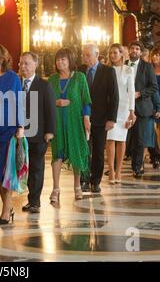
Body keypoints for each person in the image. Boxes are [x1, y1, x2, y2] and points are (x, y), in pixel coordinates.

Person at [0, 44, 24, 225]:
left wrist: (20, 128)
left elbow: (19, 102)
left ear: (1, 59)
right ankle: (8, 209)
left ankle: (5, 213)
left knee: (5, 173)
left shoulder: (13, 78)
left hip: (8, 131)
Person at [49, 48, 91, 204]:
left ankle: (77, 186)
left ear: (70, 60)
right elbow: (45, 101)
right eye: (58, 60)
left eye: (63, 59)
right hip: (58, 122)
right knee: (57, 153)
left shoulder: (80, 78)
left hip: (75, 121)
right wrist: (56, 103)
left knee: (76, 152)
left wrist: (86, 118)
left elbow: (86, 100)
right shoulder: (52, 79)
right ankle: (55, 188)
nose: (60, 62)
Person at [19, 52, 56, 213]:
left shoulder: (43, 85)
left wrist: (50, 131)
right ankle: (30, 198)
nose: (23, 67)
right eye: (21, 63)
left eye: (26, 63)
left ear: (35, 65)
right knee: (22, 167)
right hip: (19, 134)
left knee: (36, 168)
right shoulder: (16, 84)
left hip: (38, 134)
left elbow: (50, 109)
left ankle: (35, 201)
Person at [80, 43, 119, 193]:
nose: (85, 57)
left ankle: (95, 181)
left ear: (97, 55)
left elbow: (114, 96)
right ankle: (84, 179)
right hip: (83, 118)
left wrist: (111, 118)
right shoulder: (80, 70)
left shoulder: (108, 71)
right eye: (83, 54)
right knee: (84, 150)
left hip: (101, 119)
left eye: (87, 55)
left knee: (97, 151)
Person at [126, 41, 158, 179]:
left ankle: (137, 167)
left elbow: (153, 87)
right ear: (128, 50)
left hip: (142, 107)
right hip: (124, 107)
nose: (134, 50)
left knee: (139, 141)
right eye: (132, 48)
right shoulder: (123, 64)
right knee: (125, 140)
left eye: (137, 49)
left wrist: (140, 93)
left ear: (141, 52)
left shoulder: (147, 67)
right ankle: (116, 167)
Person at [105, 44, 136, 184]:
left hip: (123, 109)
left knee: (121, 140)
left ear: (121, 54)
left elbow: (131, 91)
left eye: (115, 53)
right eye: (111, 53)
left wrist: (132, 111)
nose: (112, 55)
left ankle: (119, 171)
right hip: (109, 108)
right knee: (110, 139)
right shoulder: (106, 70)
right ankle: (111, 171)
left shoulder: (129, 70)